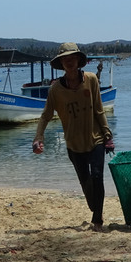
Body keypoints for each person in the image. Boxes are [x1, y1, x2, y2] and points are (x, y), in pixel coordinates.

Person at [32, 42, 115, 232]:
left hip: (95, 139)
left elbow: (99, 109)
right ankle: (95, 206)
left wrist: (107, 135)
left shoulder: (91, 80)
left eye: (72, 58)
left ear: (78, 60)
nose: (69, 62)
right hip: (73, 143)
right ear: (61, 63)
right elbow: (46, 115)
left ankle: (97, 220)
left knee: (97, 176)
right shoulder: (55, 90)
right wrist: (38, 137)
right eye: (65, 59)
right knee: (85, 180)